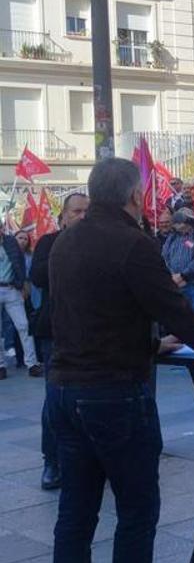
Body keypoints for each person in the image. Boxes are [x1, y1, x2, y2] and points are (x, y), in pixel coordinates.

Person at [48, 158, 194, 563]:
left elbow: (86, 316)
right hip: (114, 393)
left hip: (63, 389)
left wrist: (153, 345)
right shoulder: (132, 243)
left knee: (75, 514)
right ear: (135, 195)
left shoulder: (64, 241)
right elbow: (172, 307)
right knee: (137, 512)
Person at [29, 192, 88, 491]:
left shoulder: (100, 243)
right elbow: (38, 276)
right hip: (56, 332)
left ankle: (89, 460)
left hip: (92, 332)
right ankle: (51, 461)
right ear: (63, 216)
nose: (82, 216)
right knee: (55, 397)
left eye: (87, 211)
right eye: (76, 211)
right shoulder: (50, 242)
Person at [161, 209, 194, 316]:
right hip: (176, 285)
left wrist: (183, 276)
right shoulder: (172, 236)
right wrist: (173, 275)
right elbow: (164, 256)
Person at [0, 226, 35, 378]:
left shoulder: (10, 242)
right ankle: (1, 366)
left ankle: (32, 364)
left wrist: (22, 283)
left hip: (11, 288)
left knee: (24, 325)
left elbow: (19, 262)